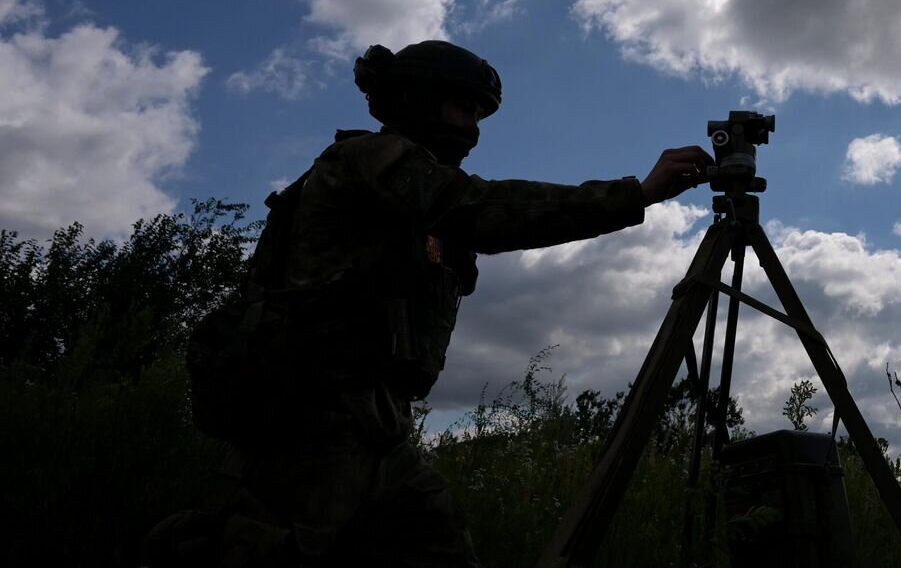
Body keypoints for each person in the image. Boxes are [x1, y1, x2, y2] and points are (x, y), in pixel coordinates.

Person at [143, 40, 713, 567]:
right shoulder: (371, 160)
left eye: (478, 114)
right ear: (416, 103)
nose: (471, 128)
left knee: (438, 546)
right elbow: (481, 210)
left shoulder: (415, 192)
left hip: (377, 424)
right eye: (460, 109)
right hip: (311, 413)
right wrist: (632, 195)